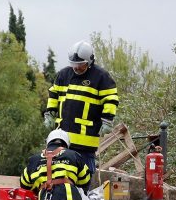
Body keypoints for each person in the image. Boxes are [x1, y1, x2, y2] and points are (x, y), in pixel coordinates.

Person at [43, 40, 120, 184]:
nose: (76, 68)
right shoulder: (63, 75)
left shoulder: (101, 77)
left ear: (90, 61)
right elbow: (53, 94)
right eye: (74, 64)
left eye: (80, 65)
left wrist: (108, 120)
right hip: (62, 139)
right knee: (60, 176)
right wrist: (49, 113)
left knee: (83, 177)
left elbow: (111, 99)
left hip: (86, 139)